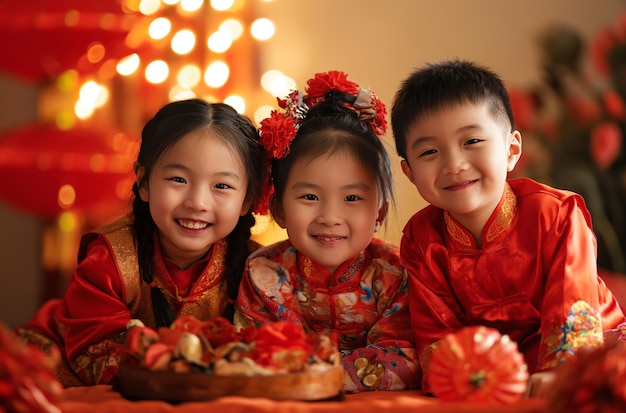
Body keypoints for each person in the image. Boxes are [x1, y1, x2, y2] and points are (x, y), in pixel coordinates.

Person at [390, 59, 626, 397]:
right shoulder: (421, 239)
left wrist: (560, 371)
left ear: (512, 150)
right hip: (499, 366)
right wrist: (466, 378)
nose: (454, 164)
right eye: (429, 151)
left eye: (471, 141)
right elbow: (437, 335)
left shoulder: (557, 214)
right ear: (410, 173)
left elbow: (571, 306)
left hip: (590, 347)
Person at [15, 98, 265, 387]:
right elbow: (96, 354)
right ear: (144, 182)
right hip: (63, 367)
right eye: (178, 179)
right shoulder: (110, 258)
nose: (197, 202)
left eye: (221, 186)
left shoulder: (259, 270)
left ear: (247, 199)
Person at [234, 71, 420, 392]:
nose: (330, 216)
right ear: (278, 209)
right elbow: (250, 353)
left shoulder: (394, 273)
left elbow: (403, 357)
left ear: (379, 213)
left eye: (352, 198)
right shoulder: (263, 273)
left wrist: (316, 376)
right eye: (310, 197)